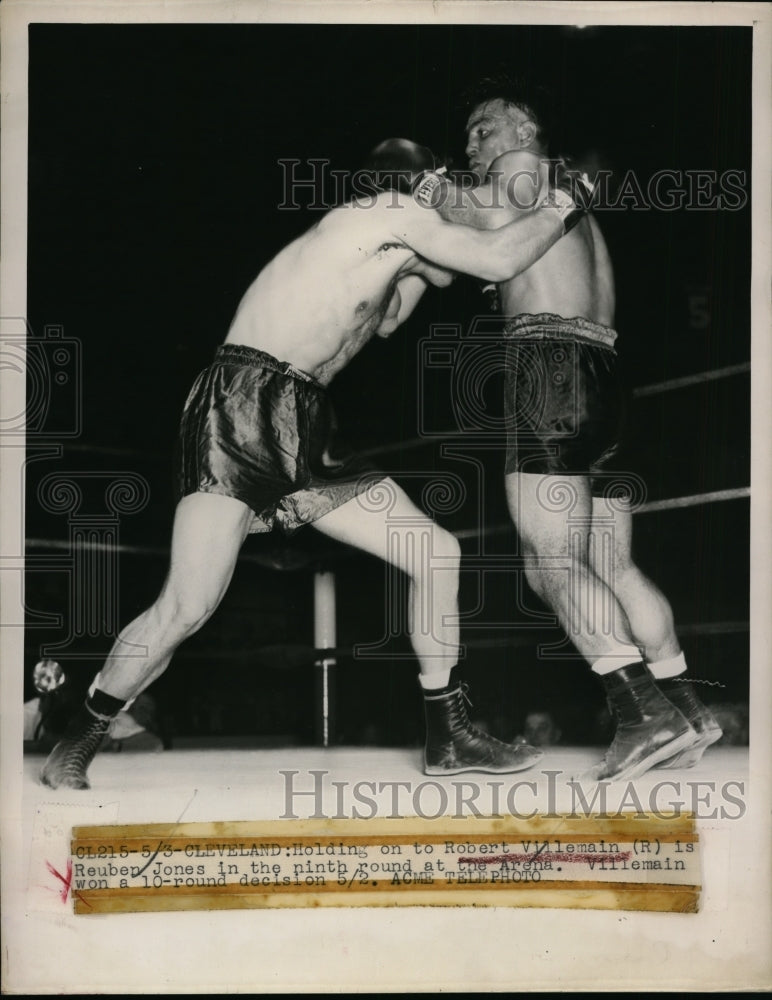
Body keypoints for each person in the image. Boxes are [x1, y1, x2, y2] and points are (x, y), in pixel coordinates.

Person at [40, 138, 590, 790]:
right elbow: (497, 253)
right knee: (187, 605)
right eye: (443, 189)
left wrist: (429, 267)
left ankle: (448, 733)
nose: (454, 203)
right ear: (421, 186)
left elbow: (385, 321)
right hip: (242, 404)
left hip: (304, 418)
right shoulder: (390, 210)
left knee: (434, 552)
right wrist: (565, 203)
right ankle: (84, 729)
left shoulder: (381, 237)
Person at [415, 78, 722, 781]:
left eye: (483, 128)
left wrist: (428, 184)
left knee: (549, 562)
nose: (471, 144)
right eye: (466, 135)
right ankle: (686, 707)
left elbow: (480, 225)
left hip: (548, 371)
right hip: (608, 378)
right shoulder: (576, 213)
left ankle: (641, 716)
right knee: (612, 564)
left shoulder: (523, 179)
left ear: (524, 131)